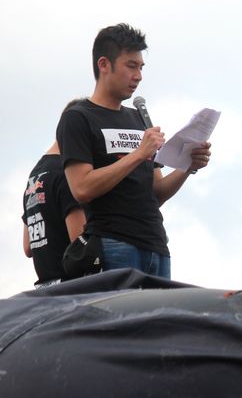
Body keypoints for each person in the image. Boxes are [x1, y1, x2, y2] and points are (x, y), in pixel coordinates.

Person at [56, 23, 211, 279]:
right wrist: (138, 154)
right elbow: (82, 188)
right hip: (113, 244)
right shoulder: (78, 117)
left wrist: (188, 165)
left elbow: (156, 193)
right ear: (104, 64)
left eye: (141, 67)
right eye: (131, 66)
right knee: (121, 309)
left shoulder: (138, 118)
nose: (138, 76)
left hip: (156, 245)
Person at [22, 100, 87, 288]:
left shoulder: (35, 175)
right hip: (73, 289)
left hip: (46, 291)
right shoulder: (67, 174)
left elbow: (28, 247)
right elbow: (80, 242)